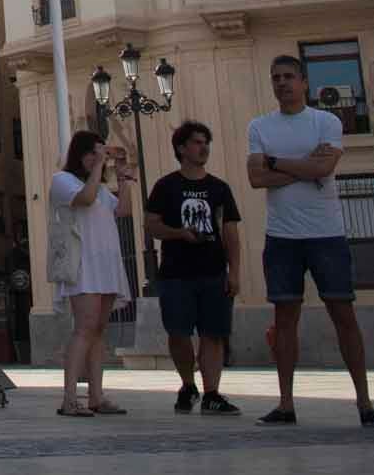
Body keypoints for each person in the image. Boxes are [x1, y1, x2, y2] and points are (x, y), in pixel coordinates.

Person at [246, 54, 374, 427]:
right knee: (285, 317)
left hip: (327, 235)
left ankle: (365, 403)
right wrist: (302, 167)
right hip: (282, 238)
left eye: (289, 76)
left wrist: (277, 163)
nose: (282, 83)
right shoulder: (259, 126)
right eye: (276, 77)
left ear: (304, 82)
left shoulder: (325, 121)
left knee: (344, 314)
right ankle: (286, 404)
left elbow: (324, 168)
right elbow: (256, 179)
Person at [143, 120, 243, 416]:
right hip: (176, 273)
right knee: (178, 332)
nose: (204, 148)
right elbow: (151, 225)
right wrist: (179, 233)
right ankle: (188, 384)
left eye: (206, 142)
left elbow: (231, 234)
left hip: (213, 271)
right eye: (197, 142)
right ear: (181, 148)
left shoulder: (219, 188)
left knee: (213, 333)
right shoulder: (166, 186)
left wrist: (234, 272)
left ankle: (212, 393)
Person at [46, 129, 132, 418]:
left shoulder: (102, 189)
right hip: (83, 266)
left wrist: (123, 177)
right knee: (84, 328)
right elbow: (84, 199)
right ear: (80, 154)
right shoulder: (62, 181)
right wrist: (99, 167)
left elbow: (124, 211)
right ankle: (69, 398)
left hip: (106, 265)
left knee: (98, 331)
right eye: (93, 152)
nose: (98, 158)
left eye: (101, 153)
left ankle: (97, 396)